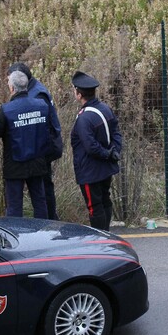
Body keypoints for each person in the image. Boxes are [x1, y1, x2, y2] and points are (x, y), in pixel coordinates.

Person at [0, 70, 50, 218]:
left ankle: (15, 237)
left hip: (15, 164)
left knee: (15, 205)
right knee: (40, 201)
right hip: (38, 160)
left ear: (12, 88)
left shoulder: (7, 110)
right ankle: (42, 236)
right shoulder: (42, 105)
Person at [7, 62, 63, 219]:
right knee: (43, 189)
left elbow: (41, 125)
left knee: (44, 189)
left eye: (9, 80)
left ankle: (51, 221)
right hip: (42, 146)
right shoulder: (35, 89)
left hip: (42, 148)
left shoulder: (36, 95)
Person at [70, 71, 122, 231]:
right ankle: (107, 234)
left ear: (79, 94)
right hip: (105, 169)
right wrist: (114, 151)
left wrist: (107, 154)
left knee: (95, 207)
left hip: (90, 171)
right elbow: (117, 133)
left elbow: (90, 146)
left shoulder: (84, 118)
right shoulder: (105, 109)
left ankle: (101, 238)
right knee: (105, 200)